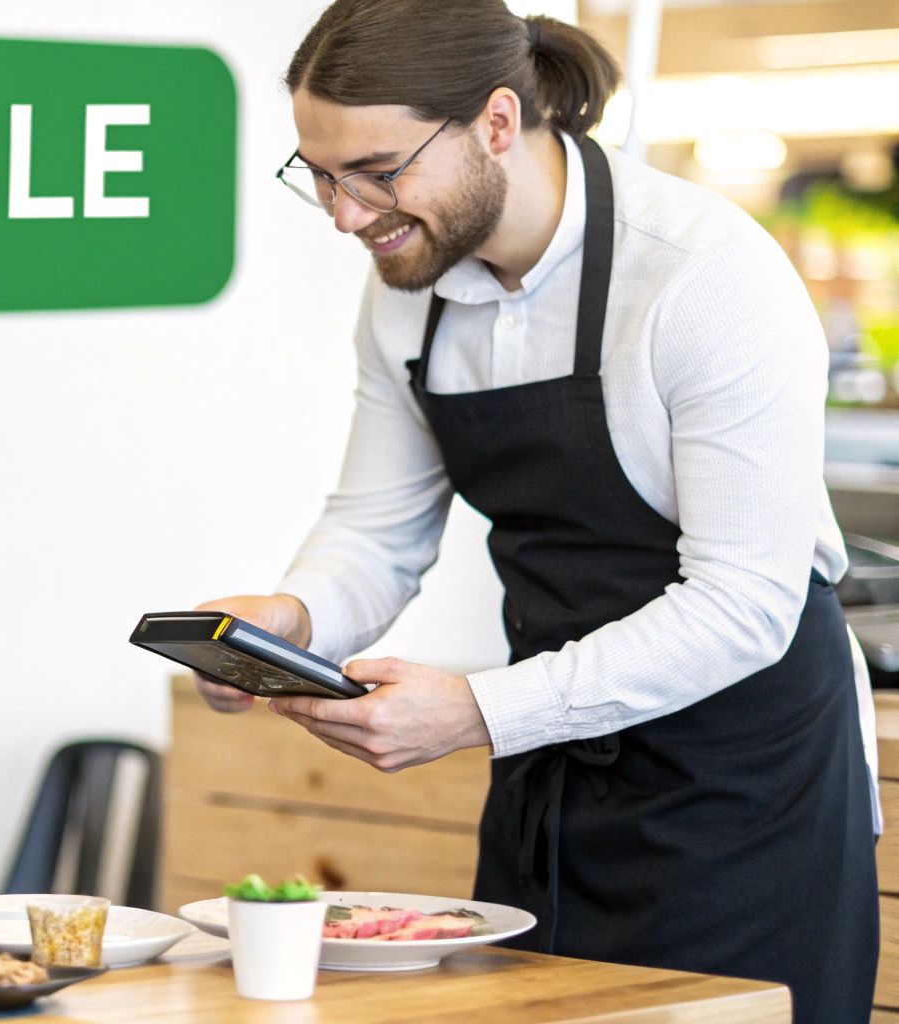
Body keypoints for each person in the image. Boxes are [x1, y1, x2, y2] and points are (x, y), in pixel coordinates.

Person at [192, 2, 877, 1020]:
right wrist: (290, 621)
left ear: (496, 123)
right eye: (319, 176)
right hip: (551, 773)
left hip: (744, 785)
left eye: (375, 170)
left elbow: (743, 606)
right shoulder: (406, 285)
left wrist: (475, 710)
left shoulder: (700, 274)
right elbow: (376, 530)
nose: (345, 215)